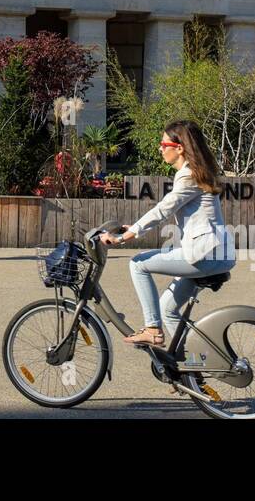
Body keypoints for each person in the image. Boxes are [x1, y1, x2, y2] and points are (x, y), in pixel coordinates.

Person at [101, 120, 235, 347]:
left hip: (205, 254)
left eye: (163, 144)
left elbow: (163, 209)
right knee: (168, 310)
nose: (160, 149)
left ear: (179, 148)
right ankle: (195, 363)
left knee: (137, 264)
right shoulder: (197, 173)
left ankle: (152, 330)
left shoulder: (189, 175)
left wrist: (125, 236)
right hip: (214, 253)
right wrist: (131, 227)